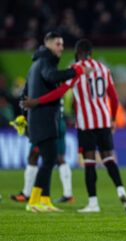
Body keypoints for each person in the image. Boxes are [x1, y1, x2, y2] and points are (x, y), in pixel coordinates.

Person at [21, 39, 126, 213]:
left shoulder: (76, 70)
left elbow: (59, 92)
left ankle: (93, 203)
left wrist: (37, 101)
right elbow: (113, 97)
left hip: (86, 123)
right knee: (108, 158)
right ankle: (121, 190)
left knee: (89, 162)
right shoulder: (103, 69)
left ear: (77, 52)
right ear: (91, 52)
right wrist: (112, 118)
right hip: (104, 121)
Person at [21, 31, 88, 212]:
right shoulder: (46, 60)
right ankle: (33, 201)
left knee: (47, 159)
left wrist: (23, 115)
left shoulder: (36, 63)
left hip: (39, 119)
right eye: (58, 44)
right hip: (44, 119)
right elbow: (51, 76)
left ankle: (45, 200)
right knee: (49, 160)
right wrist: (74, 70)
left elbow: (25, 91)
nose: (61, 48)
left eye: (62, 44)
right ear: (48, 43)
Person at [10, 100, 73, 203]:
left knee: (33, 157)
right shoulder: (57, 85)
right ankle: (68, 194)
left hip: (46, 124)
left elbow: (38, 102)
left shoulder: (43, 85)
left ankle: (27, 193)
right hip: (59, 121)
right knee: (59, 158)